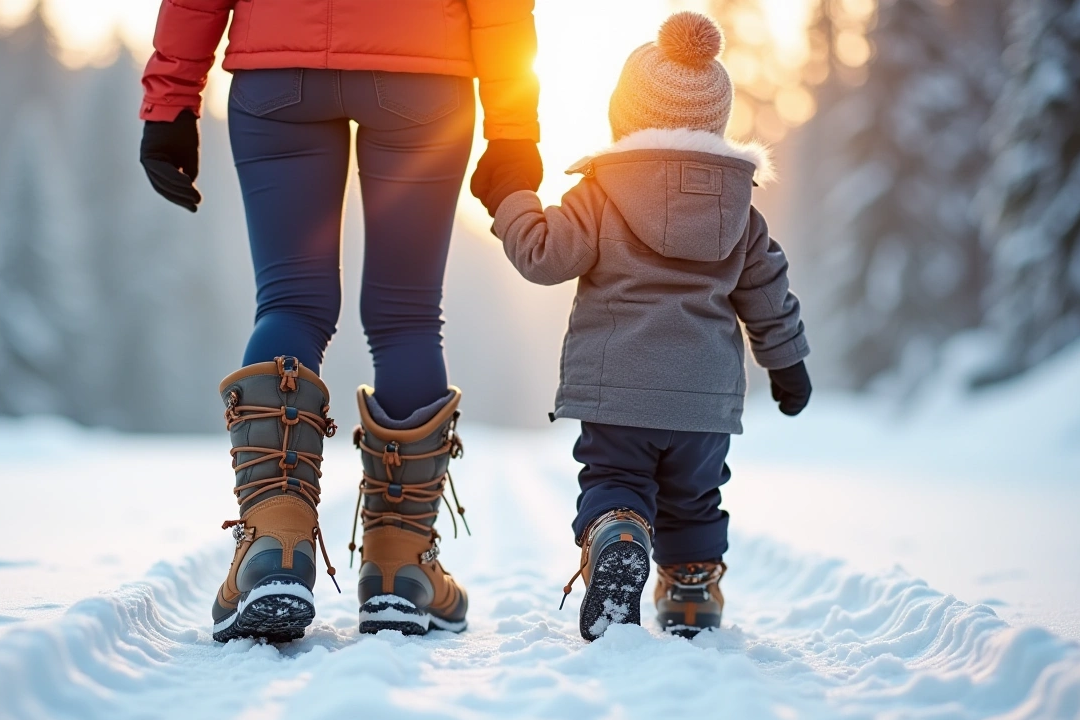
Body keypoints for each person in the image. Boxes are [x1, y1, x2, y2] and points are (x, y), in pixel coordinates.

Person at [137, 1, 541, 642]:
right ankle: (399, 568)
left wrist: (171, 100)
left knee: (288, 304)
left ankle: (275, 545)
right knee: (407, 317)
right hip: (422, 71)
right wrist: (513, 128)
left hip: (279, 69)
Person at [472, 11, 813, 641]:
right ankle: (690, 593)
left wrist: (511, 198)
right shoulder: (740, 209)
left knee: (616, 483)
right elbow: (767, 287)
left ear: (625, 113)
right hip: (703, 401)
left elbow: (544, 256)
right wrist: (786, 361)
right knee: (695, 499)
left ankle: (619, 537)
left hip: (618, 391)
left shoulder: (601, 193)